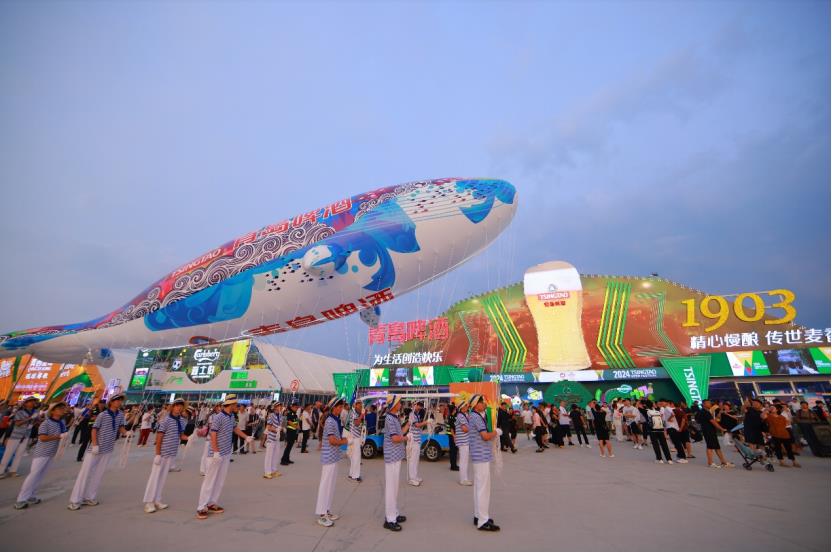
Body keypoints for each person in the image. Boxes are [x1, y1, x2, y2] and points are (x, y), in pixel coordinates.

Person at [68, 393, 132, 510]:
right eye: (117, 400)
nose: (119, 402)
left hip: (108, 449)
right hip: (96, 448)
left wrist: (126, 432)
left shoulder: (120, 415)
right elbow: (94, 429)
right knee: (85, 473)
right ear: (111, 402)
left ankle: (89, 497)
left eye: (120, 400)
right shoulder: (103, 414)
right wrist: (95, 445)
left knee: (98, 474)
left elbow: (121, 427)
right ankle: (75, 500)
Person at [196, 395, 253, 520]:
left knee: (219, 481)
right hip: (215, 455)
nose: (237, 406)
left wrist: (246, 437)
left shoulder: (231, 416)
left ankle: (211, 503)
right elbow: (213, 434)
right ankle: (201, 506)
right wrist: (216, 452)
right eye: (236, 404)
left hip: (226, 453)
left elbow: (235, 428)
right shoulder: (218, 417)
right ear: (231, 404)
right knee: (209, 481)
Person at [13, 402, 68, 509]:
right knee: (34, 475)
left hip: (52, 453)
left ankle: (31, 495)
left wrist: (64, 437)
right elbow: (42, 438)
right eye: (59, 408)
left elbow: (62, 435)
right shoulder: (46, 423)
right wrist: (58, 436)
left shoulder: (61, 423)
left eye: (62, 408)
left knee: (40, 476)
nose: (62, 410)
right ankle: (21, 499)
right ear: (53, 411)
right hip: (42, 453)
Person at [143, 398, 188, 513]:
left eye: (181, 406)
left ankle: (157, 500)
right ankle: (149, 502)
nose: (179, 408)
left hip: (171, 453)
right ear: (172, 407)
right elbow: (159, 437)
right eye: (177, 405)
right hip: (162, 453)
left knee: (162, 478)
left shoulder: (182, 421)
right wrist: (157, 453)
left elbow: (181, 436)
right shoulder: (166, 419)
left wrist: (192, 437)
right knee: (155, 477)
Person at [467, 395, 500, 532]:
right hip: (481, 456)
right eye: (482, 402)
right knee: (483, 489)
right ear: (476, 405)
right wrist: (496, 432)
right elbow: (485, 436)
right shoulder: (476, 417)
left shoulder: (475, 415)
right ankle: (483, 521)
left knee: (479, 488)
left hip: (479, 456)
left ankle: (478, 516)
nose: (484, 404)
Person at [314, 397, 348, 527]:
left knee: (331, 486)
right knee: (325, 485)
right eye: (339, 407)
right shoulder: (330, 421)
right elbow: (332, 441)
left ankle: (327, 511)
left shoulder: (335, 419)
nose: (341, 409)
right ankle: (322, 515)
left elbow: (337, 437)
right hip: (329, 457)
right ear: (333, 408)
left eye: (342, 406)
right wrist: (346, 441)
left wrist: (345, 439)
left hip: (334, 457)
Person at [382, 395, 409, 531]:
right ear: (393, 405)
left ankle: (394, 513)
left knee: (395, 487)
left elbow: (399, 433)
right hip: (392, 457)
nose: (401, 404)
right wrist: (406, 438)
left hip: (396, 456)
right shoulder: (389, 418)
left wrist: (408, 424)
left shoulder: (394, 417)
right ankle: (389, 519)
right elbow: (395, 438)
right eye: (399, 402)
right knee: (391, 488)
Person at [0, 396, 39, 479]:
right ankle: (1, 471)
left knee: (19, 454)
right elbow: (17, 423)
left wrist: (36, 420)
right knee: (8, 453)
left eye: (34, 401)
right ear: (25, 403)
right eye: (30, 401)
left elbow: (35, 423)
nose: (33, 403)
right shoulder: (20, 412)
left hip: (26, 436)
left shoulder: (35, 412)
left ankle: (13, 471)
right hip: (16, 435)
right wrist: (30, 418)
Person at [694, 399, 734, 469]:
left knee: (717, 447)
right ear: (704, 404)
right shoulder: (705, 412)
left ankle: (723, 462)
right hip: (708, 431)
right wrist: (722, 429)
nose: (710, 404)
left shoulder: (702, 411)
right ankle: (710, 463)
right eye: (708, 403)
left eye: (710, 403)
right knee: (710, 447)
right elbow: (713, 421)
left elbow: (699, 420)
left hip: (709, 431)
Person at [407, 401, 427, 486]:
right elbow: (417, 425)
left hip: (417, 439)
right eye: (419, 406)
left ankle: (415, 476)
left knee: (416, 459)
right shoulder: (412, 414)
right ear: (415, 405)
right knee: (412, 459)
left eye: (421, 406)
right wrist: (426, 422)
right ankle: (412, 478)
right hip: (413, 440)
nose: (420, 408)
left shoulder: (417, 414)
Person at [263, 402, 283, 479]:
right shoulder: (271, 415)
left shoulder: (280, 415)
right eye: (279, 406)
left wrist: (281, 428)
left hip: (277, 438)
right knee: (269, 455)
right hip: (271, 438)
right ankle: (267, 472)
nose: (280, 407)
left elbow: (280, 425)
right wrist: (276, 429)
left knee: (276, 455)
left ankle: (274, 470)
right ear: (274, 407)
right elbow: (268, 427)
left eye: (281, 406)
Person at [454, 398, 472, 485]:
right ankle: (463, 479)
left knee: (465, 460)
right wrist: (473, 429)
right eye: (465, 405)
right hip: (463, 441)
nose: (467, 407)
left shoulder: (464, 415)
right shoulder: (460, 416)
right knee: (463, 461)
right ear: (462, 407)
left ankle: (465, 478)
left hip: (465, 441)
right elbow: (464, 429)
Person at [346, 400, 364, 482]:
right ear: (355, 405)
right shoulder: (354, 413)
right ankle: (356, 475)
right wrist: (362, 416)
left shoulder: (354, 413)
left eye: (361, 406)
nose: (361, 408)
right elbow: (356, 423)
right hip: (355, 438)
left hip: (353, 437)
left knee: (353, 457)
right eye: (360, 406)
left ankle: (351, 474)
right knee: (356, 457)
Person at [280, 401, 299, 466]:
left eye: (297, 407)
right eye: (296, 407)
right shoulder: (289, 413)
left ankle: (287, 459)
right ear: (292, 407)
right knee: (288, 446)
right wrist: (295, 426)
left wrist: (297, 425)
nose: (296, 409)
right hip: (290, 432)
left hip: (293, 432)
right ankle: (283, 460)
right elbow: (289, 422)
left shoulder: (294, 414)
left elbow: (296, 421)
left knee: (290, 446)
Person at [446, 403, 459, 471]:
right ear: (453, 409)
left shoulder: (452, 416)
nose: (456, 410)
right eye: (455, 409)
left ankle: (454, 465)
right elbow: (451, 428)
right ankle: (453, 466)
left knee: (454, 451)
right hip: (452, 436)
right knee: (453, 451)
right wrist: (454, 437)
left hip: (452, 436)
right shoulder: (451, 417)